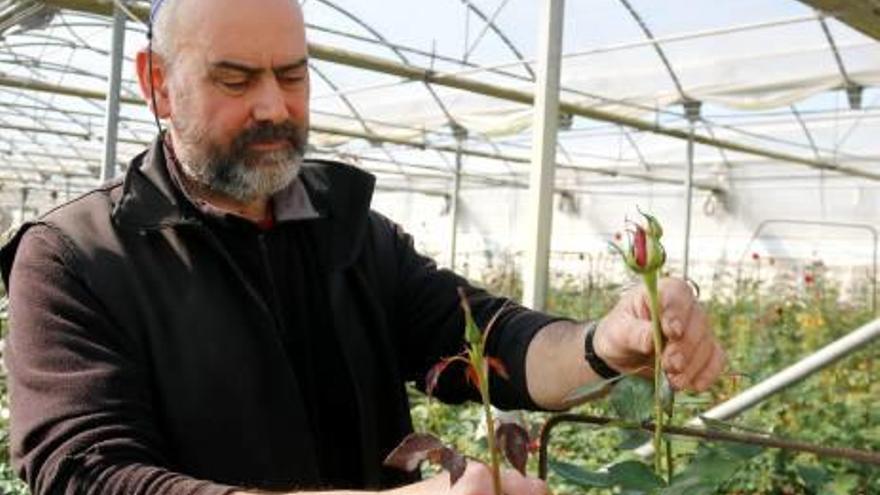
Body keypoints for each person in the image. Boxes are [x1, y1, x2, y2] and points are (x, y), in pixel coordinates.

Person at [0, 0, 726, 494]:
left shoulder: (346, 229)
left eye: (292, 74)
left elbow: (483, 340)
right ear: (157, 83)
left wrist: (610, 341)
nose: (274, 107)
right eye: (235, 78)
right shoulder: (78, 257)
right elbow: (85, 473)